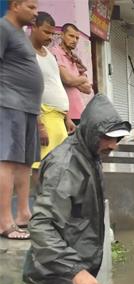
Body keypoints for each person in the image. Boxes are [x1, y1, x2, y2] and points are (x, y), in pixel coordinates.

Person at [23, 95, 131, 284]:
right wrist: (76, 271)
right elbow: (41, 225)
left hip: (69, 266)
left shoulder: (90, 153)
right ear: (93, 131)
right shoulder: (65, 166)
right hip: (57, 271)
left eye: (117, 139)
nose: (113, 145)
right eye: (108, 138)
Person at [0, 0, 42, 241]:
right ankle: (4, 221)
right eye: (31, 7)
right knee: (7, 160)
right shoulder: (3, 28)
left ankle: (23, 213)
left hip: (28, 108)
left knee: (26, 162)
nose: (35, 13)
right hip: (9, 104)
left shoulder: (20, 34)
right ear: (15, 5)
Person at [30, 12, 76, 169]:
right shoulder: (26, 54)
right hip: (44, 118)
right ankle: (38, 194)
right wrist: (39, 125)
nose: (50, 37)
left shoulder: (49, 55)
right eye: (46, 32)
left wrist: (67, 117)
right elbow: (27, 91)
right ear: (33, 27)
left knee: (60, 166)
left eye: (52, 33)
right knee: (41, 167)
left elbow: (56, 84)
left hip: (59, 120)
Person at [51, 23, 92, 125]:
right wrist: (83, 79)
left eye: (77, 38)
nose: (74, 40)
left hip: (79, 111)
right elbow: (67, 80)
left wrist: (74, 81)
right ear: (62, 35)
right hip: (64, 113)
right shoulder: (55, 52)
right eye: (71, 36)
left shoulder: (75, 58)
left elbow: (88, 89)